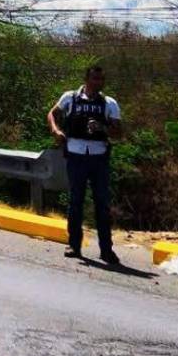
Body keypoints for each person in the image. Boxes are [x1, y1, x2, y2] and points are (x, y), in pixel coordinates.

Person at [47, 64, 121, 265]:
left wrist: (103, 127)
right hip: (76, 155)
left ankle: (106, 250)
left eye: (101, 79)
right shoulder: (70, 98)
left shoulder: (109, 103)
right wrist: (56, 131)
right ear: (86, 79)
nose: (98, 82)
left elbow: (118, 132)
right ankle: (74, 244)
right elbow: (52, 114)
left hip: (99, 157)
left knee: (102, 204)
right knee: (76, 201)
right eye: (94, 79)